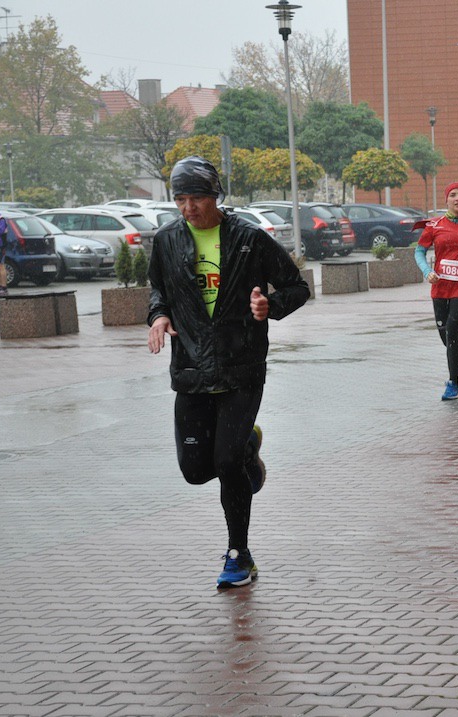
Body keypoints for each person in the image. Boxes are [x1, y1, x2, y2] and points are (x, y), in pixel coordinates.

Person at [147, 156, 310, 588]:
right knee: (195, 470)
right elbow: (158, 289)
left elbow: (297, 287)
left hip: (241, 368)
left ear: (215, 196)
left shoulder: (248, 239)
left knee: (225, 460)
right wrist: (158, 316)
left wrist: (271, 306)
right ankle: (249, 447)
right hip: (191, 370)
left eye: (197, 198)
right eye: (180, 199)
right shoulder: (166, 240)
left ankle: (239, 554)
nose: (188, 208)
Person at [414, 182, 458, 400]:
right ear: (446, 200)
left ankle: (453, 384)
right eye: (453, 195)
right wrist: (427, 271)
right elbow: (419, 252)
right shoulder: (435, 225)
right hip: (440, 286)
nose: (457, 198)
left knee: (451, 332)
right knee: (446, 337)